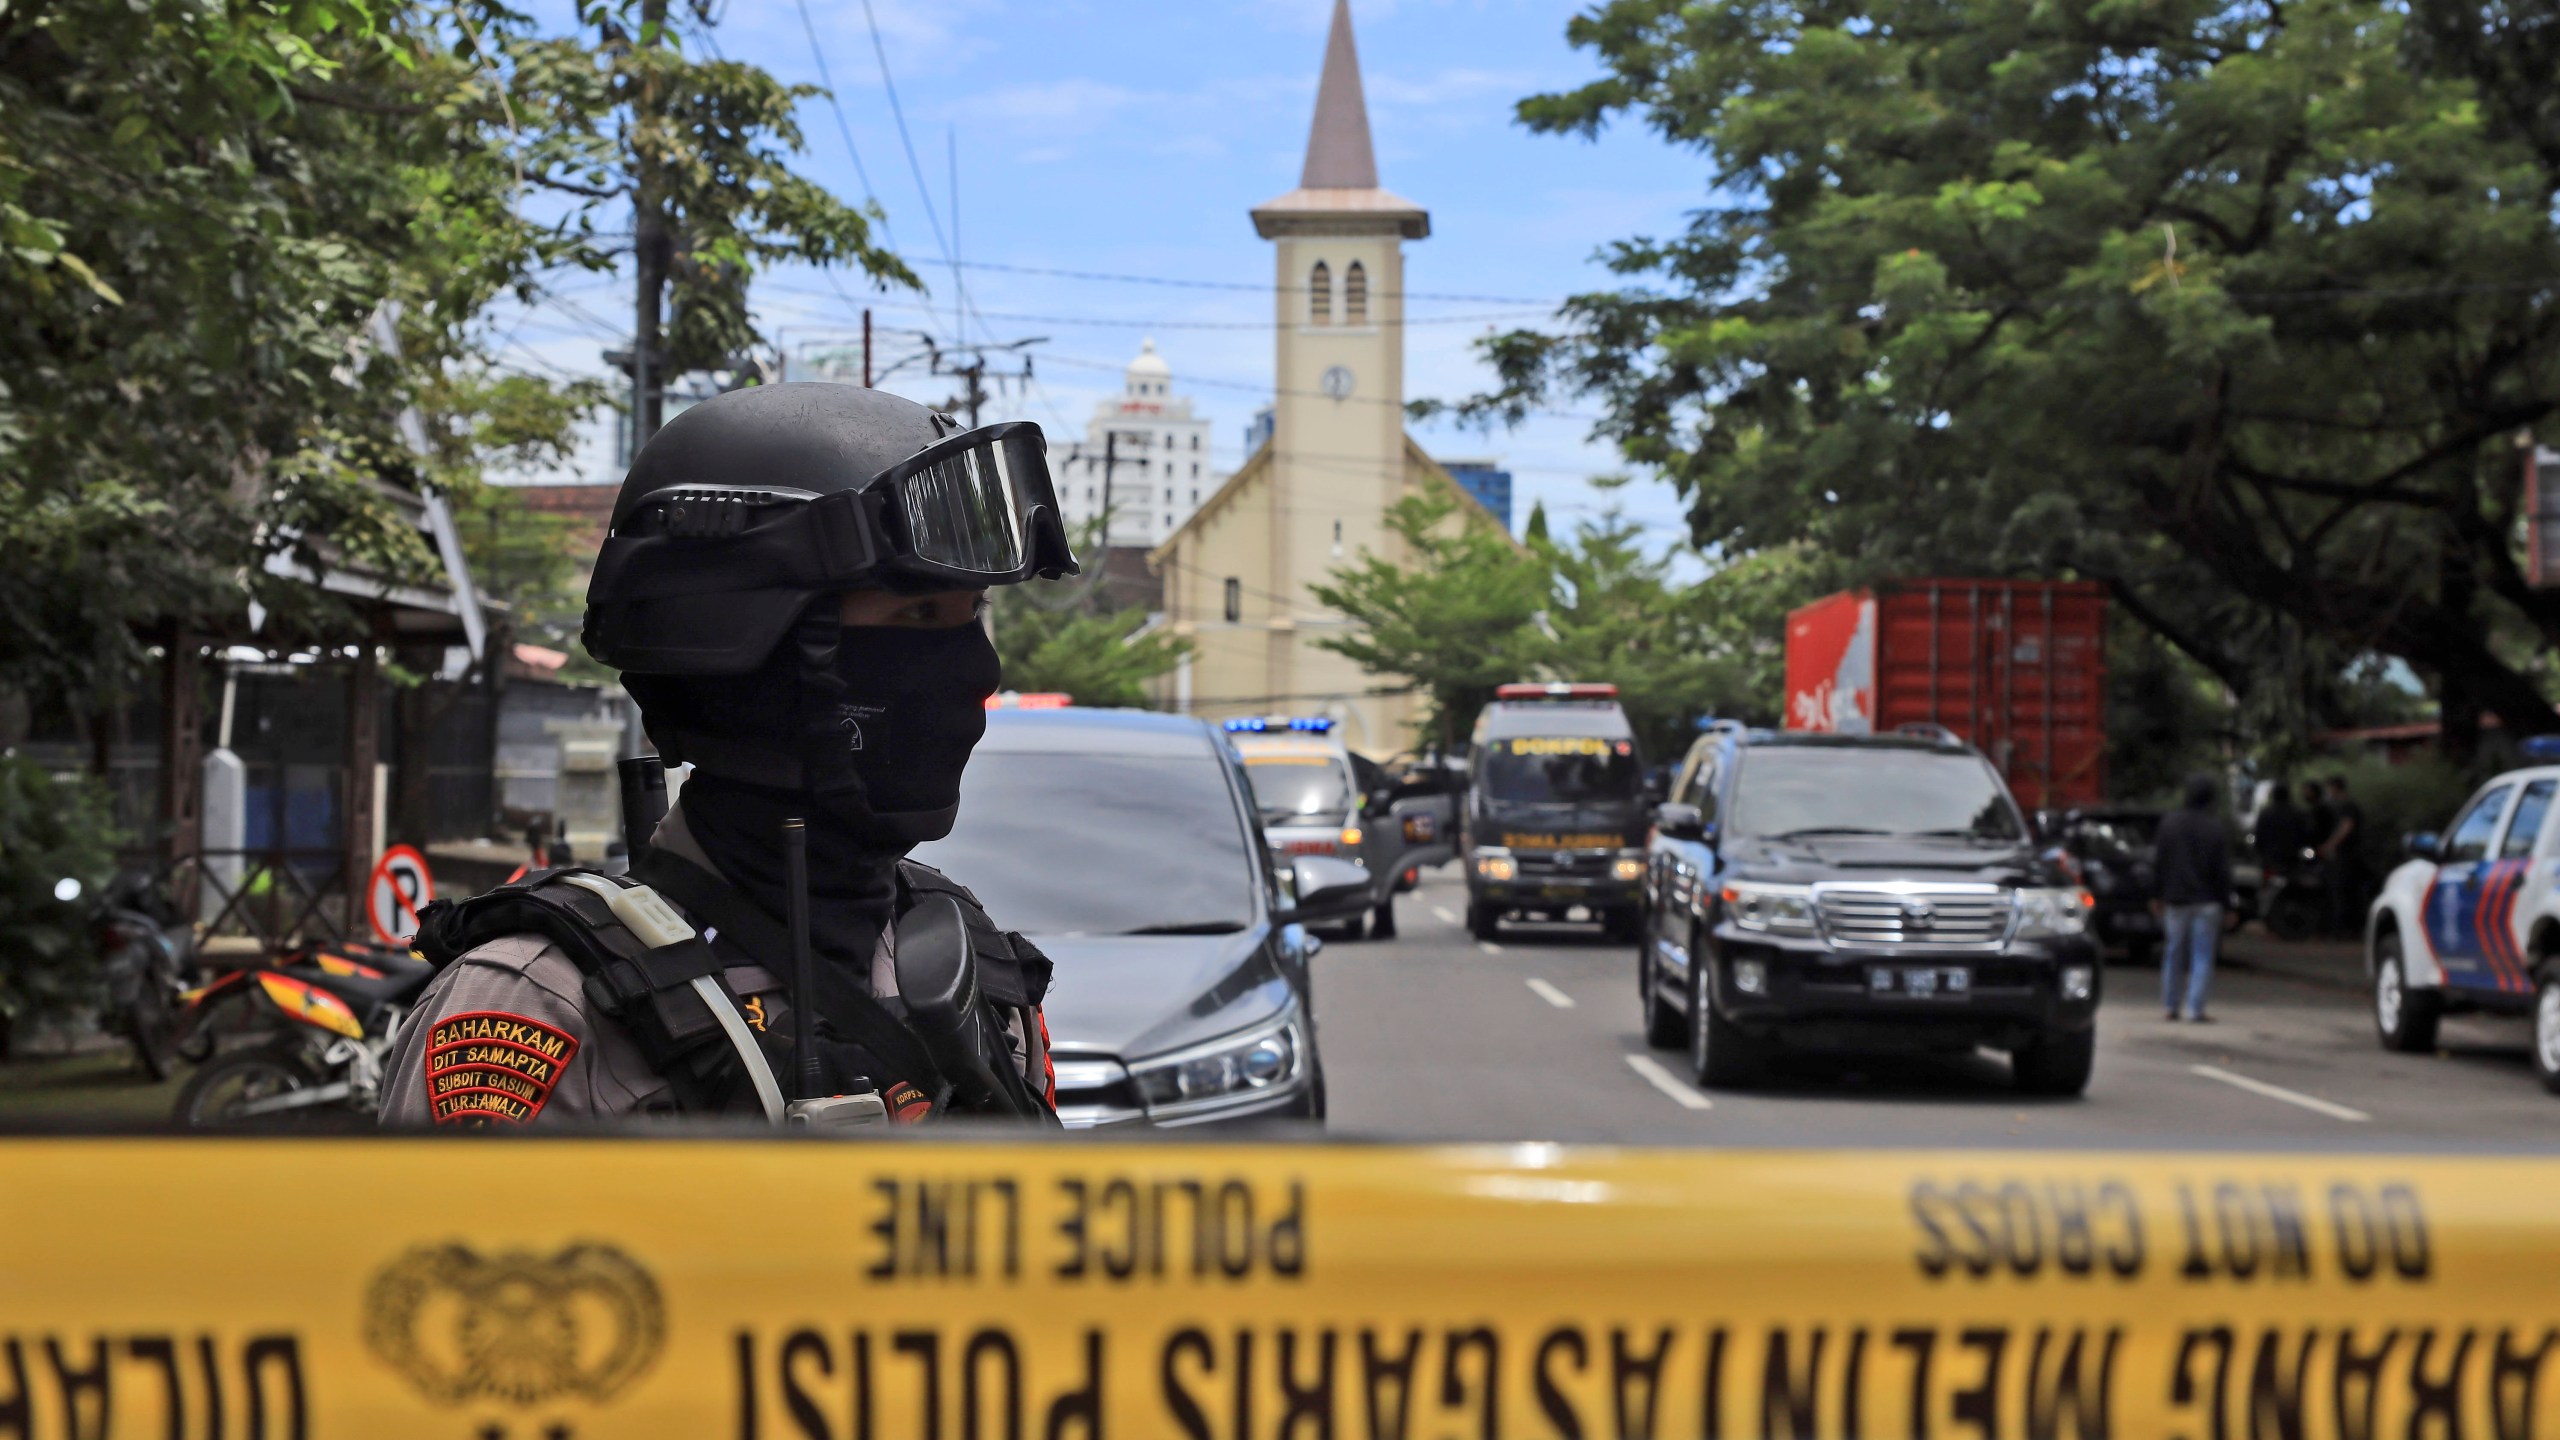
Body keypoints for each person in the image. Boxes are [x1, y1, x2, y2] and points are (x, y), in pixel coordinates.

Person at [381, 384, 1077, 1127]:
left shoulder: (971, 966)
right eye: (915, 614)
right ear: (753, 662)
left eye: (971, 614)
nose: (976, 669)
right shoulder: (541, 1010)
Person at [2152, 773, 2233, 1023]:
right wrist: (2228, 903)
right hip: (2207, 901)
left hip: (2176, 900)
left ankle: (2170, 1005)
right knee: (2202, 955)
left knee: (2173, 951)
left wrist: (2156, 894)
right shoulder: (2215, 828)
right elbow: (2223, 870)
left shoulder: (2169, 824)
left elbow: (2160, 863)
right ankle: (2196, 1008)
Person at [2320, 775, 2368, 936]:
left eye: (2329, 788)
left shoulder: (2347, 806)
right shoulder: (2345, 805)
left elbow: (2346, 827)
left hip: (2349, 855)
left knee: (2343, 891)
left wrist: (2330, 845)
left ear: (2335, 788)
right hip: (2349, 854)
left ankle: (2346, 929)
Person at [2252, 780, 2310, 875]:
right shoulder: (2298, 813)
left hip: (2271, 859)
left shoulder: (2265, 813)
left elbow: (2259, 837)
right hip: (2292, 860)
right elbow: (2305, 835)